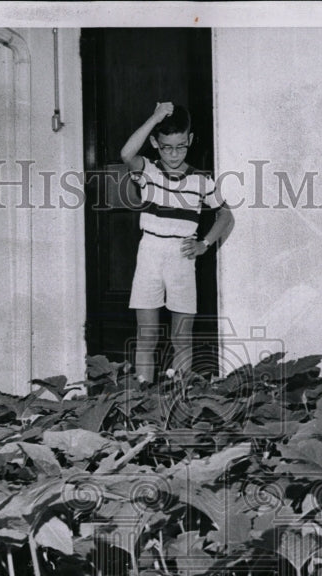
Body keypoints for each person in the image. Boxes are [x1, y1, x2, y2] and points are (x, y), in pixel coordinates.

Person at [121, 102, 234, 383]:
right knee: (146, 336)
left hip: (181, 257)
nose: (173, 154)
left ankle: (182, 400)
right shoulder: (148, 171)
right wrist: (155, 116)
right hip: (149, 254)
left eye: (181, 146)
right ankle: (142, 400)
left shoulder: (201, 180)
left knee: (181, 336)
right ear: (155, 144)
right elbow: (126, 153)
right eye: (167, 147)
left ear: (190, 140)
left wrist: (205, 244)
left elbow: (225, 215)